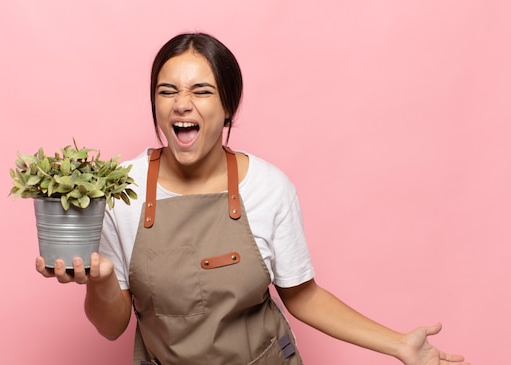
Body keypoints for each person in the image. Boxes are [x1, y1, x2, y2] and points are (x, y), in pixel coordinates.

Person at [36, 32, 469, 365]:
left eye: (201, 91)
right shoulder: (121, 190)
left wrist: (399, 344)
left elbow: (301, 295)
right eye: (167, 91)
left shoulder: (267, 187)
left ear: (228, 106)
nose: (181, 104)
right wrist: (100, 280)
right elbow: (112, 327)